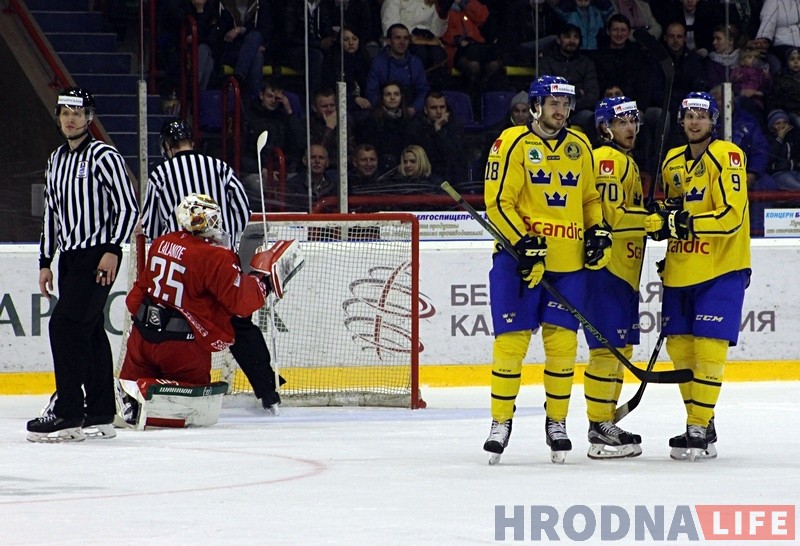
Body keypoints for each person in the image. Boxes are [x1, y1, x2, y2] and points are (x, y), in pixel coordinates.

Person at [481, 75, 611, 464]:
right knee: (511, 343)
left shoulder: (580, 144)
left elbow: (590, 197)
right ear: (535, 105)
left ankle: (557, 422)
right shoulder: (512, 143)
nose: (560, 109)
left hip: (568, 264)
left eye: (565, 104)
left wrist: (598, 229)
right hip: (518, 261)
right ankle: (500, 422)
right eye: (553, 102)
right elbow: (497, 203)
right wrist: (522, 242)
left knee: (563, 348)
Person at [142, 119, 284, 412]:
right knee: (237, 322)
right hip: (219, 259)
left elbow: (151, 225)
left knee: (178, 324)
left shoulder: (159, 174)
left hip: (181, 262)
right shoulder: (218, 167)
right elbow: (243, 208)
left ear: (167, 147)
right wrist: (225, 243)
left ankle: (173, 391)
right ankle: (268, 389)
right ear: (191, 141)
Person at [27, 87, 139, 443]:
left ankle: (69, 411)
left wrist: (111, 249)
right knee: (88, 330)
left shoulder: (103, 155)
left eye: (77, 113)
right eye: (65, 113)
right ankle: (102, 412)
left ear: (89, 118)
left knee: (64, 326)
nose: (70, 119)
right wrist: (46, 260)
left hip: (98, 255)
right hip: (70, 257)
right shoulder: (57, 159)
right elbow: (53, 215)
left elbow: (127, 206)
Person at [644, 91, 751, 461]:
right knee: (680, 349)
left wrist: (682, 223)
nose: (694, 122)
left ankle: (697, 426)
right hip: (681, 269)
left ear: (714, 121)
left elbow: (730, 218)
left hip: (722, 267)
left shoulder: (728, 156)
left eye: (701, 116)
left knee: (708, 348)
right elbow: (674, 212)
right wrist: (661, 222)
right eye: (689, 115)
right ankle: (702, 420)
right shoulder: (672, 161)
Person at [119, 194, 268, 425]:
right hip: (182, 347)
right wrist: (263, 284)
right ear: (199, 221)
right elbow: (240, 303)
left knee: (128, 402)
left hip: (141, 339)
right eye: (212, 219)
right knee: (187, 414)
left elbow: (138, 295)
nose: (217, 225)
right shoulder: (214, 256)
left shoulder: (161, 242)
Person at [582, 96, 649, 459]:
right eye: (622, 122)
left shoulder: (624, 161)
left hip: (623, 272)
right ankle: (598, 425)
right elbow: (612, 217)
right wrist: (654, 221)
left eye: (633, 122)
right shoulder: (608, 160)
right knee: (607, 351)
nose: (630, 129)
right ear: (605, 127)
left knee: (619, 350)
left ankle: (604, 419)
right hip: (607, 269)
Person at [538, 22, 600, 139]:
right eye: (567, 36)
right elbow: (546, 90)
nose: (572, 40)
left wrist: (569, 107)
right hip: (551, 109)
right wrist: (577, 91)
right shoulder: (547, 62)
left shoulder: (587, 63)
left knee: (592, 118)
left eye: (575, 37)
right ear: (558, 40)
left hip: (579, 110)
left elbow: (592, 95)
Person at [240, 77, 305, 189]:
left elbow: (300, 143)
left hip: (282, 171)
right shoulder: (249, 118)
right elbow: (241, 153)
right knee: (257, 185)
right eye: (269, 96)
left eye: (277, 98)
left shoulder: (285, 119)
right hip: (257, 171)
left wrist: (289, 111)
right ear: (261, 95)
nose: (273, 101)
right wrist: (261, 169)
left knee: (302, 183)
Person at [366, 23, 430, 116]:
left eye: (406, 38)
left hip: (411, 111)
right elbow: (371, 91)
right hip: (383, 112)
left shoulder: (416, 62)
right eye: (397, 38)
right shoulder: (378, 62)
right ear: (388, 41)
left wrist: (414, 109)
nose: (402, 42)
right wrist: (384, 110)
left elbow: (423, 91)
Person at [211, 0, 270, 98]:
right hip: (229, 51)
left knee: (256, 51)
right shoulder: (222, 5)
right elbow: (221, 35)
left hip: (251, 50)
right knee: (256, 54)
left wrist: (240, 30)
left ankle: (237, 78)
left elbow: (265, 30)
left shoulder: (260, 5)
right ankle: (255, 100)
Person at [404, 90, 465, 182]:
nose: (439, 111)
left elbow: (453, 155)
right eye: (434, 108)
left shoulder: (455, 125)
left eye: (442, 107)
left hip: (450, 173)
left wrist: (439, 130)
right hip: (424, 175)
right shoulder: (415, 127)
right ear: (425, 110)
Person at [355, 81, 415, 175]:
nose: (392, 97)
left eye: (396, 94)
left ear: (401, 97)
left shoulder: (408, 121)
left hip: (403, 169)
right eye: (388, 94)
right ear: (382, 98)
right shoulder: (371, 121)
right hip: (377, 171)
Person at [285, 143, 339, 211]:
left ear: (327, 162)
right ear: (305, 160)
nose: (317, 161)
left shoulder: (335, 186)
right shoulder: (293, 185)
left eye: (321, 158)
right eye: (313, 157)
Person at [546, 0, 615, 51]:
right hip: (575, 53)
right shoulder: (568, 12)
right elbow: (560, 11)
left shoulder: (598, 10)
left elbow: (609, 9)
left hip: (597, 52)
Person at [765, 109, 800, 190]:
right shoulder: (768, 139)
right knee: (797, 188)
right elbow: (770, 158)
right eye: (778, 123)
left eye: (785, 122)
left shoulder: (792, 137)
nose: (782, 126)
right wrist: (780, 138)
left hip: (795, 172)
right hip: (779, 174)